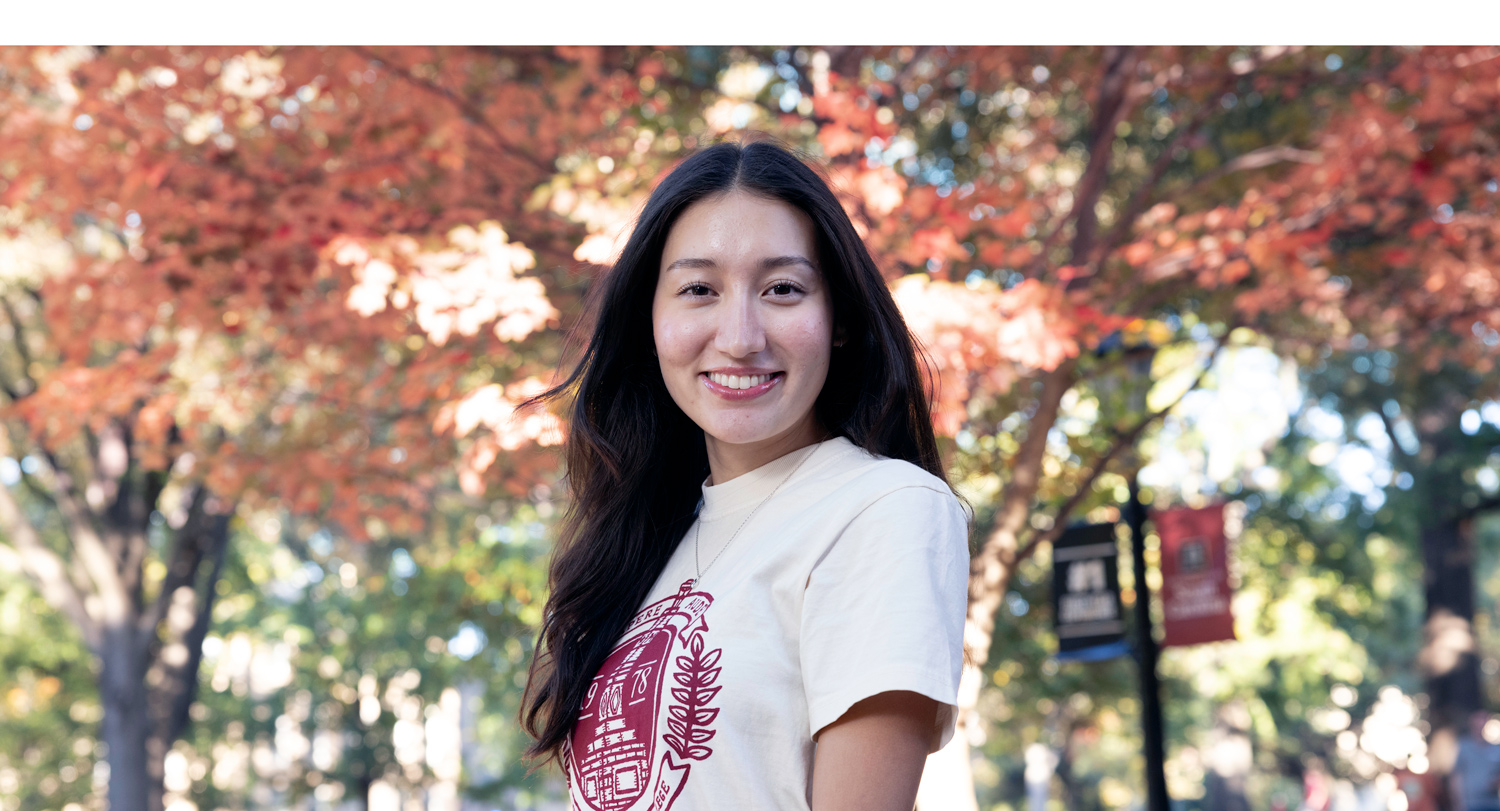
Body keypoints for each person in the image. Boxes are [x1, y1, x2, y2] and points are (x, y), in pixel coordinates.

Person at [519, 137, 969, 811]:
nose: (740, 335)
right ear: (652, 318)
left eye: (782, 289)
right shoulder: (645, 543)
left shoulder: (884, 509)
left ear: (838, 318)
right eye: (699, 289)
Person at [1452, 711, 1500, 811]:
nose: (1481, 723)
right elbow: (1457, 776)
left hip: (1493, 803)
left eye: (1484, 719)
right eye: (1478, 719)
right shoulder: (1463, 746)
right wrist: (1458, 803)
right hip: (1471, 804)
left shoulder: (1496, 748)